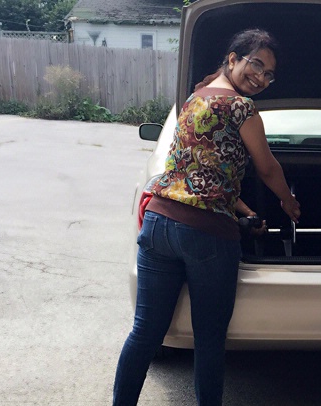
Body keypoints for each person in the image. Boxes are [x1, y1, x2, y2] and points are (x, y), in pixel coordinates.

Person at [112, 28, 300, 405]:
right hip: (207, 236)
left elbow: (199, 172)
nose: (261, 78)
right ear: (232, 58)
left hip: (159, 226)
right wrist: (288, 202)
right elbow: (266, 168)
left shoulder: (195, 98)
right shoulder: (241, 108)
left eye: (269, 74)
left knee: (145, 333)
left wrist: (243, 208)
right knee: (209, 340)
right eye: (256, 65)